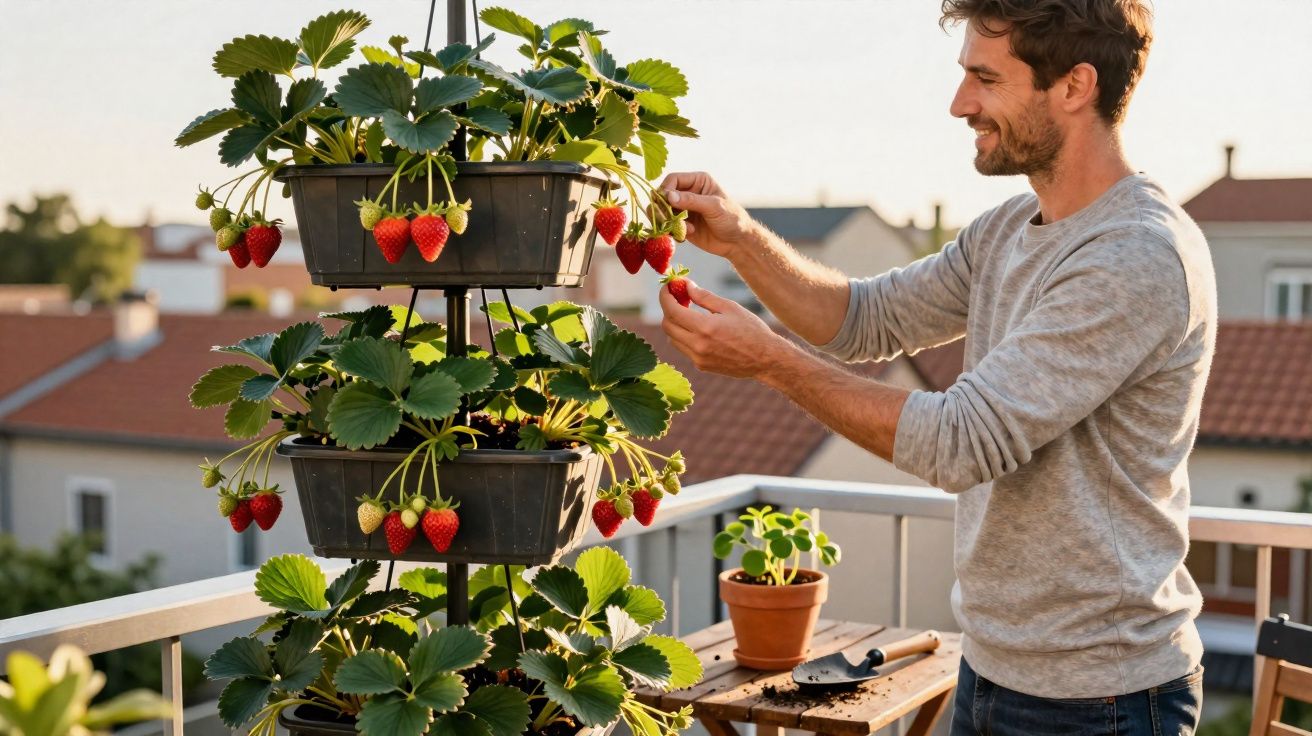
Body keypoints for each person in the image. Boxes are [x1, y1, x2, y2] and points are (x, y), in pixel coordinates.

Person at [655, 1, 1215, 733]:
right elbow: (862, 320)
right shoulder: (1008, 231)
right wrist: (743, 240)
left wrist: (768, 361)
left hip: (1101, 700)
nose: (961, 104)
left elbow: (960, 441)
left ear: (1075, 86)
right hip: (990, 670)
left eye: (986, 79)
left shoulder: (1135, 254)